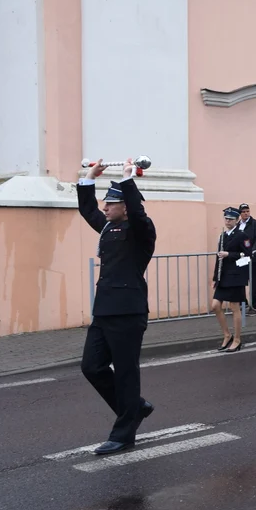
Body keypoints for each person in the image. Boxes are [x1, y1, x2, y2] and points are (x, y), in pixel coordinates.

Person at [77, 159, 157, 455]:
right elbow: (87, 210)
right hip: (104, 310)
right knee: (92, 366)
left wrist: (127, 179)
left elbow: (138, 213)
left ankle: (124, 432)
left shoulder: (141, 231)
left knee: (125, 372)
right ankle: (134, 407)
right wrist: (89, 176)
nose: (105, 208)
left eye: (111, 203)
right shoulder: (107, 229)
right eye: (106, 203)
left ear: (124, 205)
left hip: (128, 311)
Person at [211, 207, 251, 353]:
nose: (227, 221)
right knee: (215, 305)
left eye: (231, 219)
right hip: (223, 277)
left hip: (235, 277)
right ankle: (227, 335)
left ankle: (237, 339)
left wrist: (230, 254)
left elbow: (247, 255)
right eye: (226, 219)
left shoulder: (242, 235)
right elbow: (218, 257)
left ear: (236, 220)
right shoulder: (222, 236)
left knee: (234, 308)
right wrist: (215, 277)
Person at [238, 203, 256, 313]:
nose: (246, 213)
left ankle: (254, 305)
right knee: (240, 281)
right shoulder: (238, 224)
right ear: (240, 213)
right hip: (241, 258)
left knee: (254, 282)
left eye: (247, 211)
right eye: (243, 212)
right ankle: (242, 303)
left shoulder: (255, 224)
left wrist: (253, 250)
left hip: (252, 257)